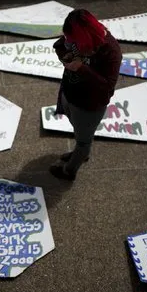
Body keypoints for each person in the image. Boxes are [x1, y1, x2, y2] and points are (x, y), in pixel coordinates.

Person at [50, 9, 122, 181]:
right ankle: (80, 153)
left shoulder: (111, 52)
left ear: (86, 37)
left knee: (84, 140)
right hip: (71, 95)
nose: (69, 42)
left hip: (89, 105)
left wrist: (82, 68)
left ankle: (70, 170)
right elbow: (59, 46)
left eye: (73, 40)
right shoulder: (74, 39)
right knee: (79, 131)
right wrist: (65, 57)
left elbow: (107, 87)